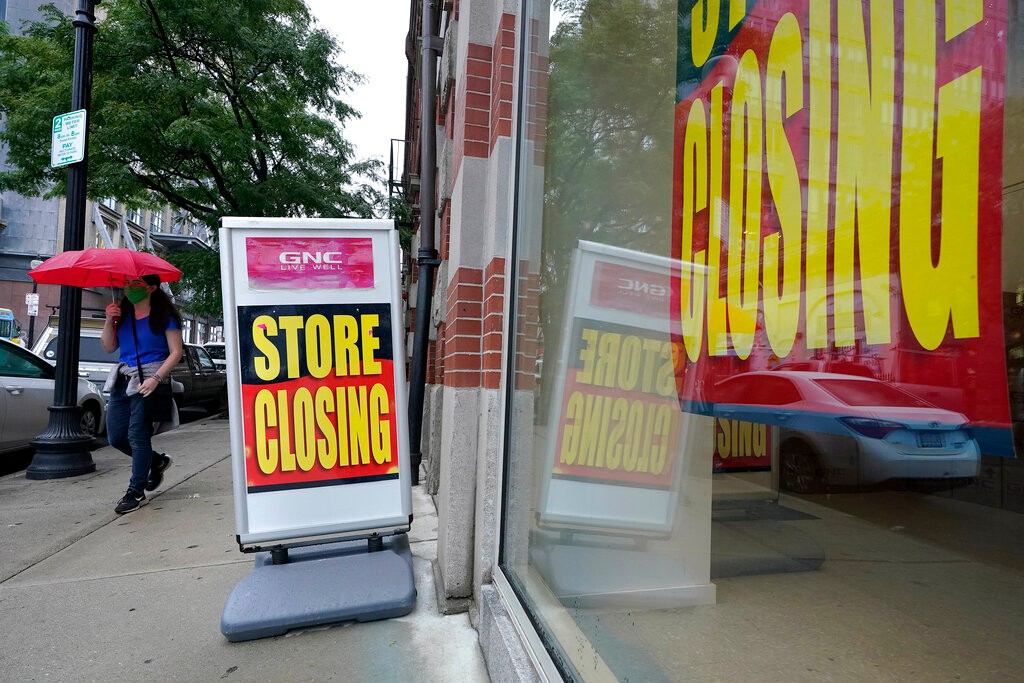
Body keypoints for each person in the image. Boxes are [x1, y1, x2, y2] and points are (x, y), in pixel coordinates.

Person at [101, 274, 184, 514]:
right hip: (122, 379)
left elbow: (175, 352)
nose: (130, 288)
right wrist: (109, 321)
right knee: (117, 437)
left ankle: (136, 492)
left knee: (138, 436)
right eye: (128, 283)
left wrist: (156, 378)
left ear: (152, 288)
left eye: (136, 284)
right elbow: (108, 347)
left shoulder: (164, 317)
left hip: (150, 380)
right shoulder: (123, 314)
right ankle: (157, 461)